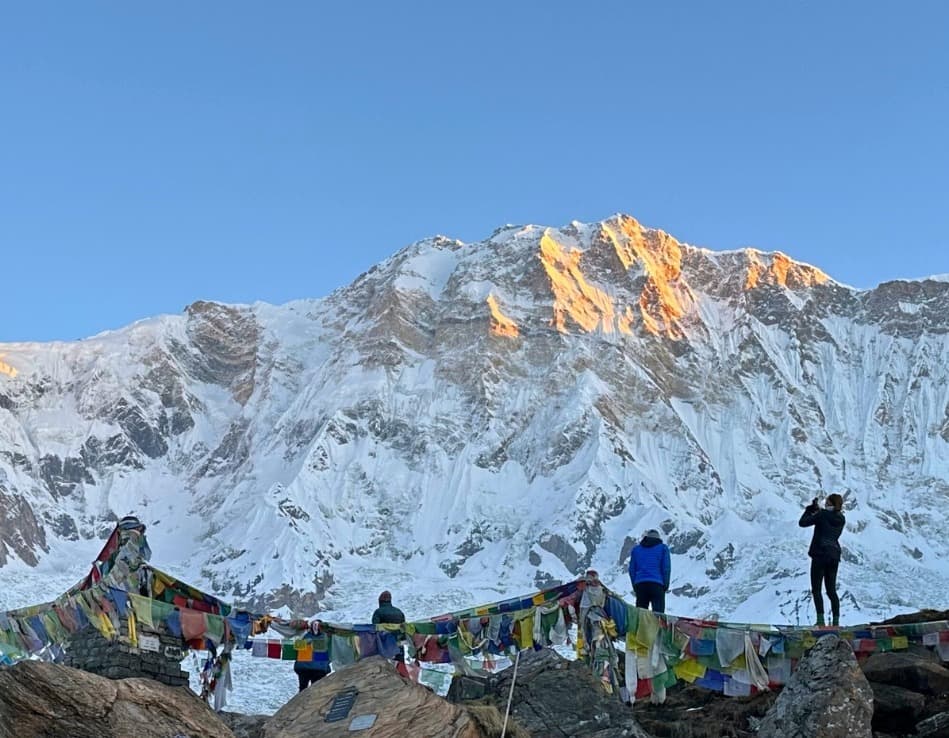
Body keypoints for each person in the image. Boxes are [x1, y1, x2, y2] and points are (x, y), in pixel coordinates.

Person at [799, 493, 846, 627]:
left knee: (817, 589)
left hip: (820, 554)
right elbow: (827, 518)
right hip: (834, 555)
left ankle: (821, 621)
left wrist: (810, 510)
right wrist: (819, 511)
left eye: (827, 502)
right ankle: (836, 622)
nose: (825, 504)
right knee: (831, 590)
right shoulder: (841, 519)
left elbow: (803, 523)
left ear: (830, 504)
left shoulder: (822, 515)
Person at [629, 529, 671, 613]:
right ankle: (658, 626)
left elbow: (631, 569)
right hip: (657, 585)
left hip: (640, 585)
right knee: (659, 616)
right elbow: (666, 568)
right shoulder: (663, 548)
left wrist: (635, 585)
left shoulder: (636, 550)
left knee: (641, 615)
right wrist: (665, 585)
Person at [293, 620, 330, 691]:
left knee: (303, 689)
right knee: (316, 690)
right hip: (320, 669)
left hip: (303, 667)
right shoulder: (327, 637)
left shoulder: (304, 635)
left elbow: (296, 647)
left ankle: (301, 701)